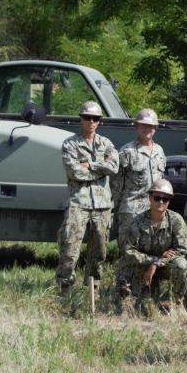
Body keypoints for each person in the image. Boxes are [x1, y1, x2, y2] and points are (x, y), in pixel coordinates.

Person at [55, 100, 119, 294]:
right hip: (78, 204)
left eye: (95, 118)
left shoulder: (106, 144)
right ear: (81, 119)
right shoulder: (70, 144)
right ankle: (64, 289)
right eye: (87, 118)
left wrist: (90, 164)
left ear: (99, 121)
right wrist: (101, 168)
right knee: (70, 249)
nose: (91, 121)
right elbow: (74, 172)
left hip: (102, 206)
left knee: (99, 251)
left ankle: (93, 290)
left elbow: (114, 167)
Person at [116, 179, 187, 316]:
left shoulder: (176, 220)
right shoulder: (137, 222)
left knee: (182, 266)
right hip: (143, 266)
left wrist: (156, 264)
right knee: (140, 306)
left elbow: (181, 249)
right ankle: (127, 300)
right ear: (150, 198)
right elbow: (129, 250)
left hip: (165, 266)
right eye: (157, 198)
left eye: (165, 199)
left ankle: (178, 303)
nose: (161, 202)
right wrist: (152, 261)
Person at [112, 108, 166, 230]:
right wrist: (119, 209)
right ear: (136, 126)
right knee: (128, 248)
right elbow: (116, 185)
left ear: (156, 129)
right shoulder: (126, 152)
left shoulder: (159, 151)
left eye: (151, 126)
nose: (147, 129)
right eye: (143, 125)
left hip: (154, 210)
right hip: (131, 212)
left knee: (149, 247)